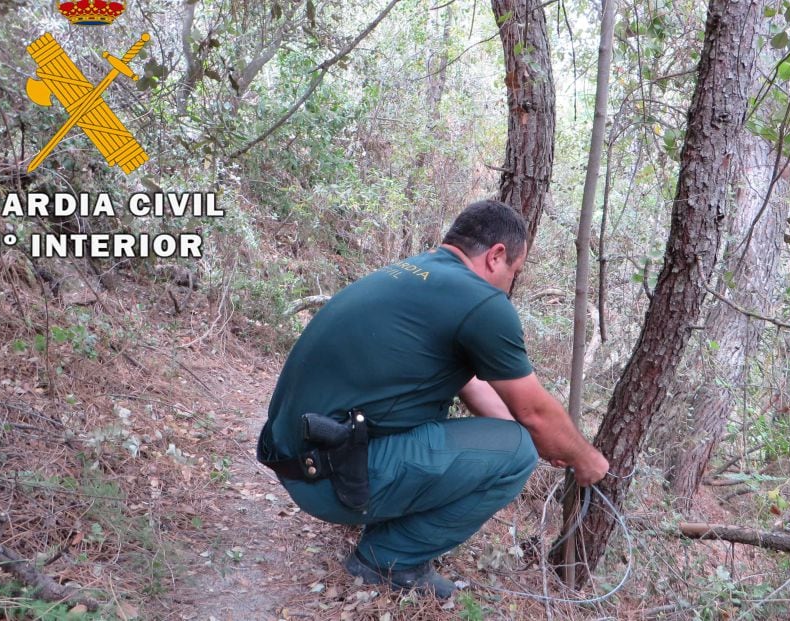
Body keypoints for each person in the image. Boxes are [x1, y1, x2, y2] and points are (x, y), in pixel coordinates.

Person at [257, 199, 609, 598]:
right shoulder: (482, 303)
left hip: (294, 460)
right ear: (496, 256)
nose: (511, 285)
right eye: (515, 272)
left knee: (512, 444)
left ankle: (387, 533)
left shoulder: (411, 274)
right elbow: (535, 412)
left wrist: (516, 437)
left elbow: (473, 386)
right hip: (329, 482)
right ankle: (387, 558)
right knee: (520, 455)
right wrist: (585, 458)